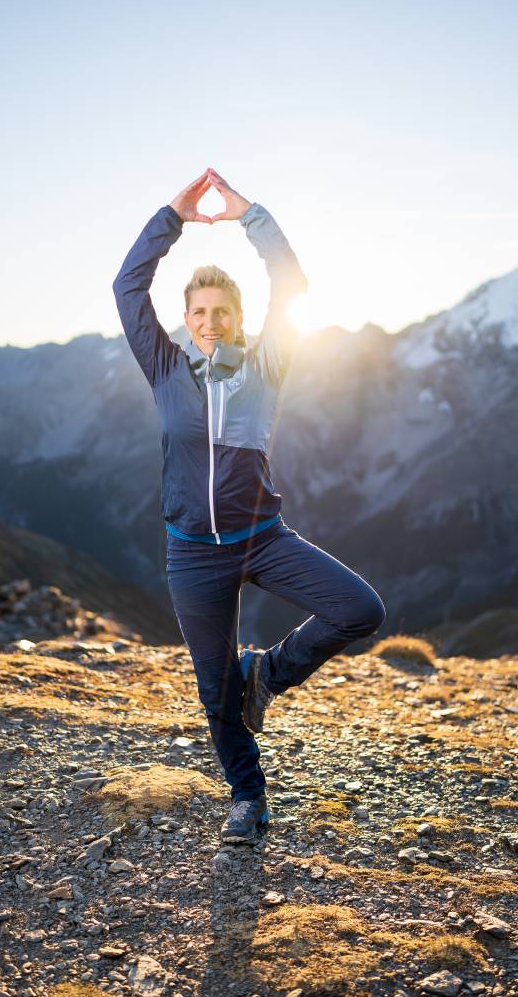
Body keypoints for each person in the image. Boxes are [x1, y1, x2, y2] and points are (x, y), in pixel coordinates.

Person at [112, 167, 386, 844]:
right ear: (185, 321)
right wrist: (170, 219)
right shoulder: (166, 369)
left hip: (263, 537)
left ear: (238, 320)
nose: (209, 322)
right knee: (214, 694)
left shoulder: (265, 366)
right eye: (198, 313)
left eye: (221, 312)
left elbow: (290, 285)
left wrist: (248, 215)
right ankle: (247, 797)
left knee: (360, 610)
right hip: (191, 555)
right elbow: (126, 288)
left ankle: (268, 671)